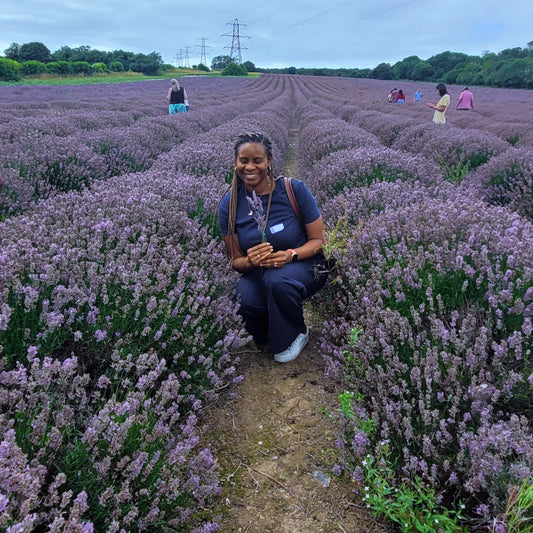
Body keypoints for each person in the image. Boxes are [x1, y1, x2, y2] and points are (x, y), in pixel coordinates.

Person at [218, 132, 328, 363]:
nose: (250, 167)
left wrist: (289, 256)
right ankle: (275, 322)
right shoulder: (229, 205)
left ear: (269, 160)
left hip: (304, 264)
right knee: (242, 299)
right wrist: (250, 261)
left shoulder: (293, 190)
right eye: (243, 160)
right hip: (260, 271)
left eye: (257, 160)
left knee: (277, 281)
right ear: (235, 162)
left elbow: (319, 241)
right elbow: (235, 261)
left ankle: (296, 332)